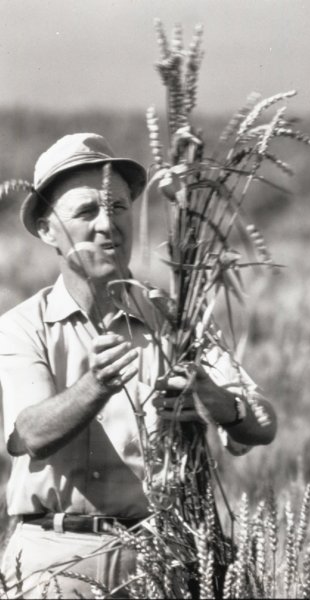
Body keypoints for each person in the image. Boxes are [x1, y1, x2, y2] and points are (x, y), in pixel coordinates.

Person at [0, 133, 277, 598]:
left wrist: (216, 402)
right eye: (87, 211)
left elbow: (263, 422)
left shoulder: (177, 319)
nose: (107, 224)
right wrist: (96, 386)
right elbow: (30, 434)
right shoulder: (23, 326)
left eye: (118, 207)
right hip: (53, 561)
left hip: (159, 557)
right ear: (48, 230)